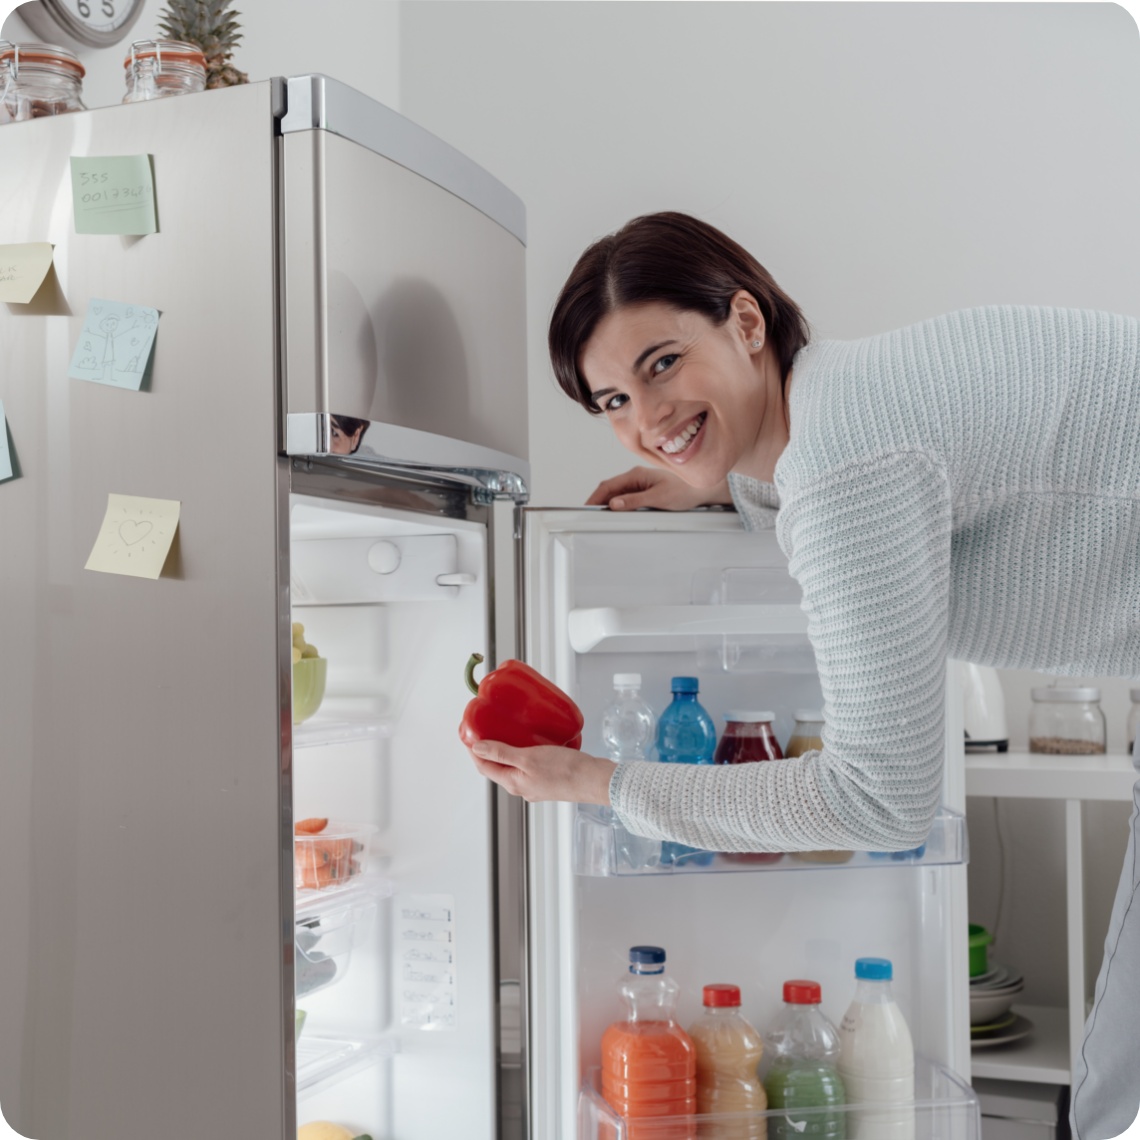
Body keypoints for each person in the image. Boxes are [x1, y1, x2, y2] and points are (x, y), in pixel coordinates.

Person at [463, 211, 1140, 1139]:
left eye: (663, 364)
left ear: (746, 322)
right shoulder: (845, 407)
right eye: (613, 399)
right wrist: (727, 482)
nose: (646, 420)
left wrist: (600, 784)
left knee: (1121, 1100)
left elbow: (879, 802)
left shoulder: (843, 460)